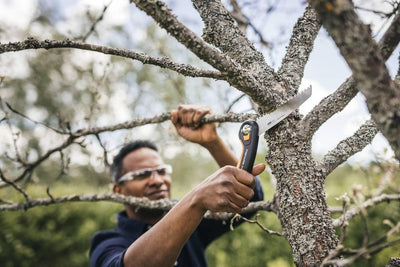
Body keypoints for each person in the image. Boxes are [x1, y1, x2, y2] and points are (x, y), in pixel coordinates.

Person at [89, 105, 265, 267]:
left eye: (161, 171)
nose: (157, 180)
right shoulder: (107, 242)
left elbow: (250, 199)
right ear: (118, 190)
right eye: (142, 175)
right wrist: (196, 200)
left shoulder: (193, 222)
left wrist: (213, 142)